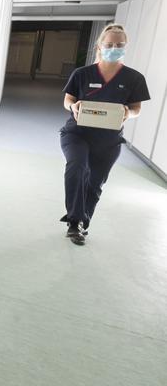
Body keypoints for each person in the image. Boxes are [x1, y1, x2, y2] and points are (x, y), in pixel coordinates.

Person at [59, 23, 150, 245]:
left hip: (109, 140)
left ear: (125, 47)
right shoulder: (82, 73)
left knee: (95, 183)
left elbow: (137, 108)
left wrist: (129, 112)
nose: (114, 48)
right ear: (100, 45)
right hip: (77, 133)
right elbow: (67, 99)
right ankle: (74, 221)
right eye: (109, 44)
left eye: (119, 45)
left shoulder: (133, 78)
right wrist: (74, 107)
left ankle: (82, 222)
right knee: (77, 167)